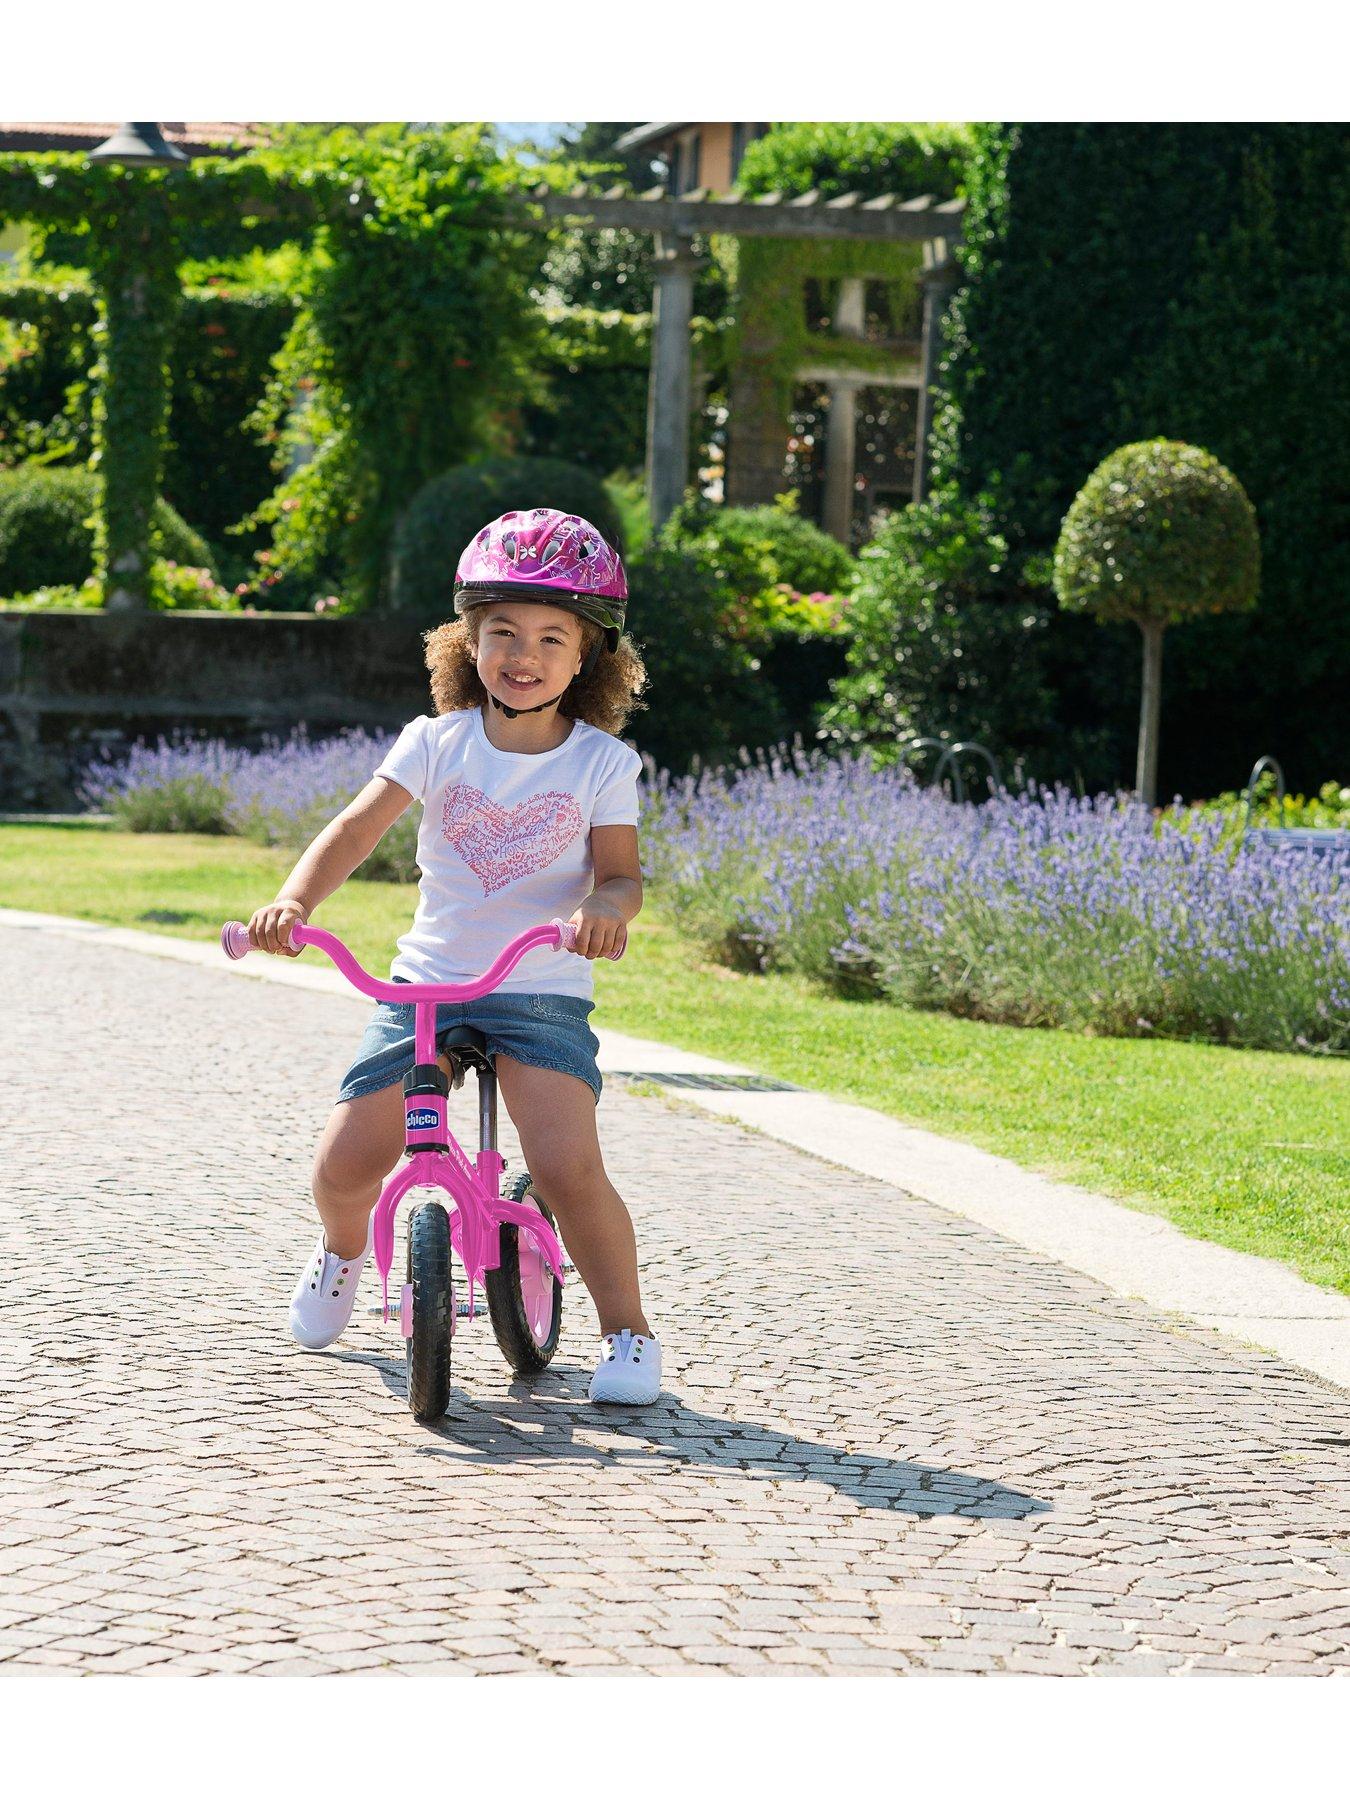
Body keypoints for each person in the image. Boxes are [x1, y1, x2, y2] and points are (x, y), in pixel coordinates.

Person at [245, 508, 661, 1404]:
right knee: (344, 1166)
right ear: (465, 642)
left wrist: (603, 908)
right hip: (428, 984)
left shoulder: (600, 763)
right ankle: (343, 1254)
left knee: (563, 1164)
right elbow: (355, 828)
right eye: (501, 631)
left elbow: (623, 877)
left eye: (552, 636)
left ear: (587, 655)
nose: (524, 654)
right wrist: (294, 901)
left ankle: (628, 1331)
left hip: (537, 985)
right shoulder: (435, 742)